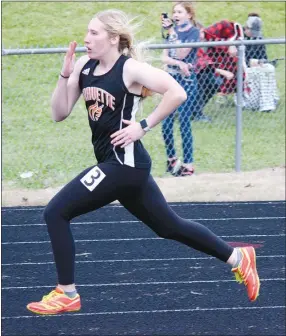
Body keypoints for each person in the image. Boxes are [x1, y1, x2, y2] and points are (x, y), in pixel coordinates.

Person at [26, 9, 260, 315]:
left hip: (123, 166)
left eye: (94, 33)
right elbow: (59, 113)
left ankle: (66, 293)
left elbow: (176, 93)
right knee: (169, 226)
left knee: (55, 212)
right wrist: (64, 75)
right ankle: (236, 258)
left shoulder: (130, 69)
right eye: (87, 32)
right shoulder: (83, 66)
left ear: (113, 38)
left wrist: (142, 126)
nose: (86, 38)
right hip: (122, 166)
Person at [161, 1, 200, 177]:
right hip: (172, 78)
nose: (175, 15)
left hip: (187, 81)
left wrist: (172, 33)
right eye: (174, 12)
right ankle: (172, 159)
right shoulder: (172, 32)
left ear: (189, 15)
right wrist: (178, 63)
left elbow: (182, 52)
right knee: (165, 121)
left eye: (179, 12)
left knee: (184, 121)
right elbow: (166, 57)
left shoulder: (194, 32)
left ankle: (188, 163)